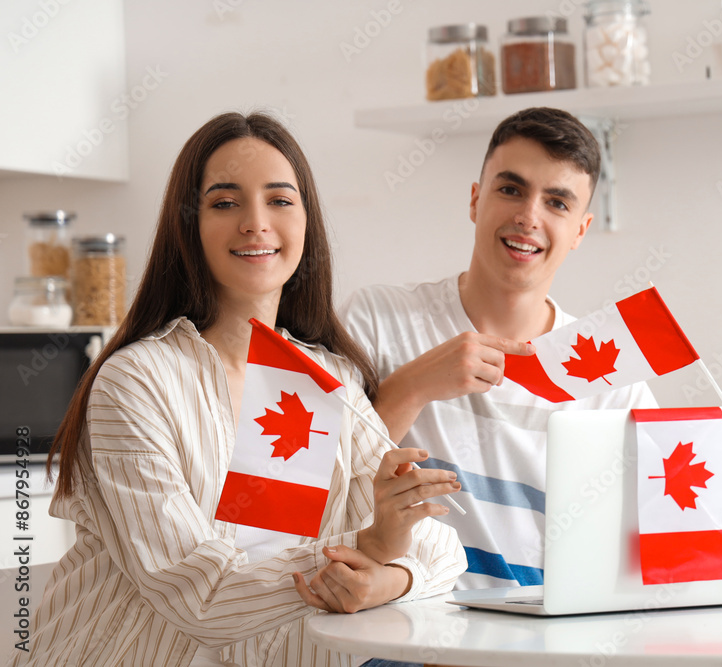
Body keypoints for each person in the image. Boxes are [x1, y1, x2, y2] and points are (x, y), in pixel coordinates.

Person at [9, 112, 464, 667]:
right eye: (225, 203)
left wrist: (385, 578)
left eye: (279, 200)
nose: (255, 222)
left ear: (306, 222)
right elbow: (198, 596)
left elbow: (443, 552)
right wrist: (367, 548)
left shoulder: (331, 380)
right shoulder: (137, 382)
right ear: (188, 226)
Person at [344, 107, 656, 590]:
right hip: (406, 628)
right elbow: (319, 485)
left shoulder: (614, 380)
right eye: (510, 190)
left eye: (557, 203)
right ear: (475, 200)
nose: (528, 217)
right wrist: (413, 386)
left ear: (580, 230)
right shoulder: (378, 319)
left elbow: (648, 551)